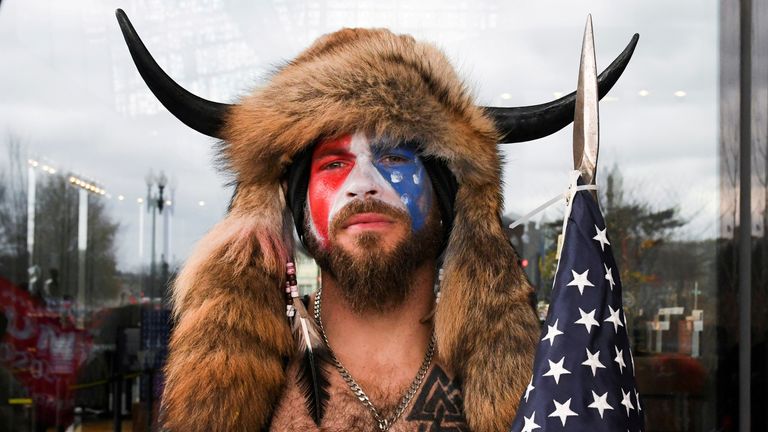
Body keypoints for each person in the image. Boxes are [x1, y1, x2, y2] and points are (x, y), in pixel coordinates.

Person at [116, 9, 636, 431]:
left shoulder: (543, 387)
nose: (364, 184)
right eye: (334, 164)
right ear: (297, 208)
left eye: (392, 158)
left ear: (445, 199)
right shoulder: (255, 384)